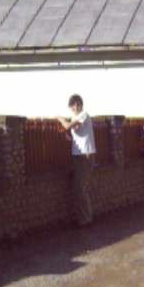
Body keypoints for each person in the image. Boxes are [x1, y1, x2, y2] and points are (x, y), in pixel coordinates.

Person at [58, 94, 96, 227]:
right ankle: (83, 218)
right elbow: (75, 135)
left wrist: (59, 118)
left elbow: (68, 126)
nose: (75, 106)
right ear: (70, 106)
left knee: (80, 188)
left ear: (81, 105)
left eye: (78, 104)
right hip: (77, 156)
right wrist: (68, 137)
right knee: (77, 188)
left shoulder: (84, 114)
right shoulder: (76, 118)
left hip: (86, 155)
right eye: (73, 104)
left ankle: (86, 219)